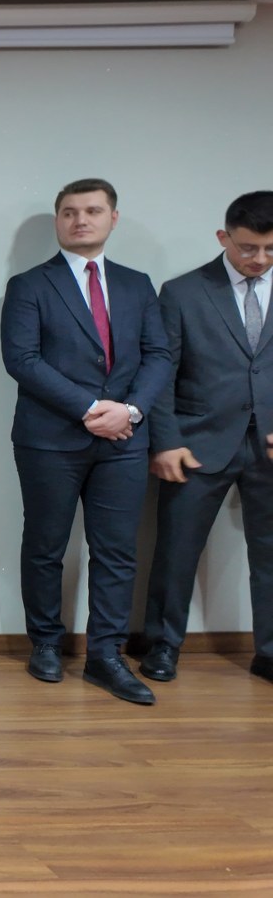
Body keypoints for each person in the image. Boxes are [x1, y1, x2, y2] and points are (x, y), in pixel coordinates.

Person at [1, 177, 170, 705]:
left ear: (112, 218)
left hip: (125, 438)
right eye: (70, 212)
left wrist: (131, 410)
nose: (80, 220)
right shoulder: (29, 285)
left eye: (93, 211)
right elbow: (22, 360)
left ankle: (105, 656)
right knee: (46, 546)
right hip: (49, 439)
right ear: (59, 220)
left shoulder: (138, 285)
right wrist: (90, 408)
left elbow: (158, 355)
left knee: (117, 552)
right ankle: (45, 643)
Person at [141, 190, 273, 686]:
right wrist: (165, 441)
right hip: (196, 443)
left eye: (271, 249)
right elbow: (161, 373)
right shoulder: (182, 292)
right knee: (176, 552)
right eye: (248, 247)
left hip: (269, 447)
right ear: (224, 237)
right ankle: (162, 646)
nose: (259, 259)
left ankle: (269, 653)